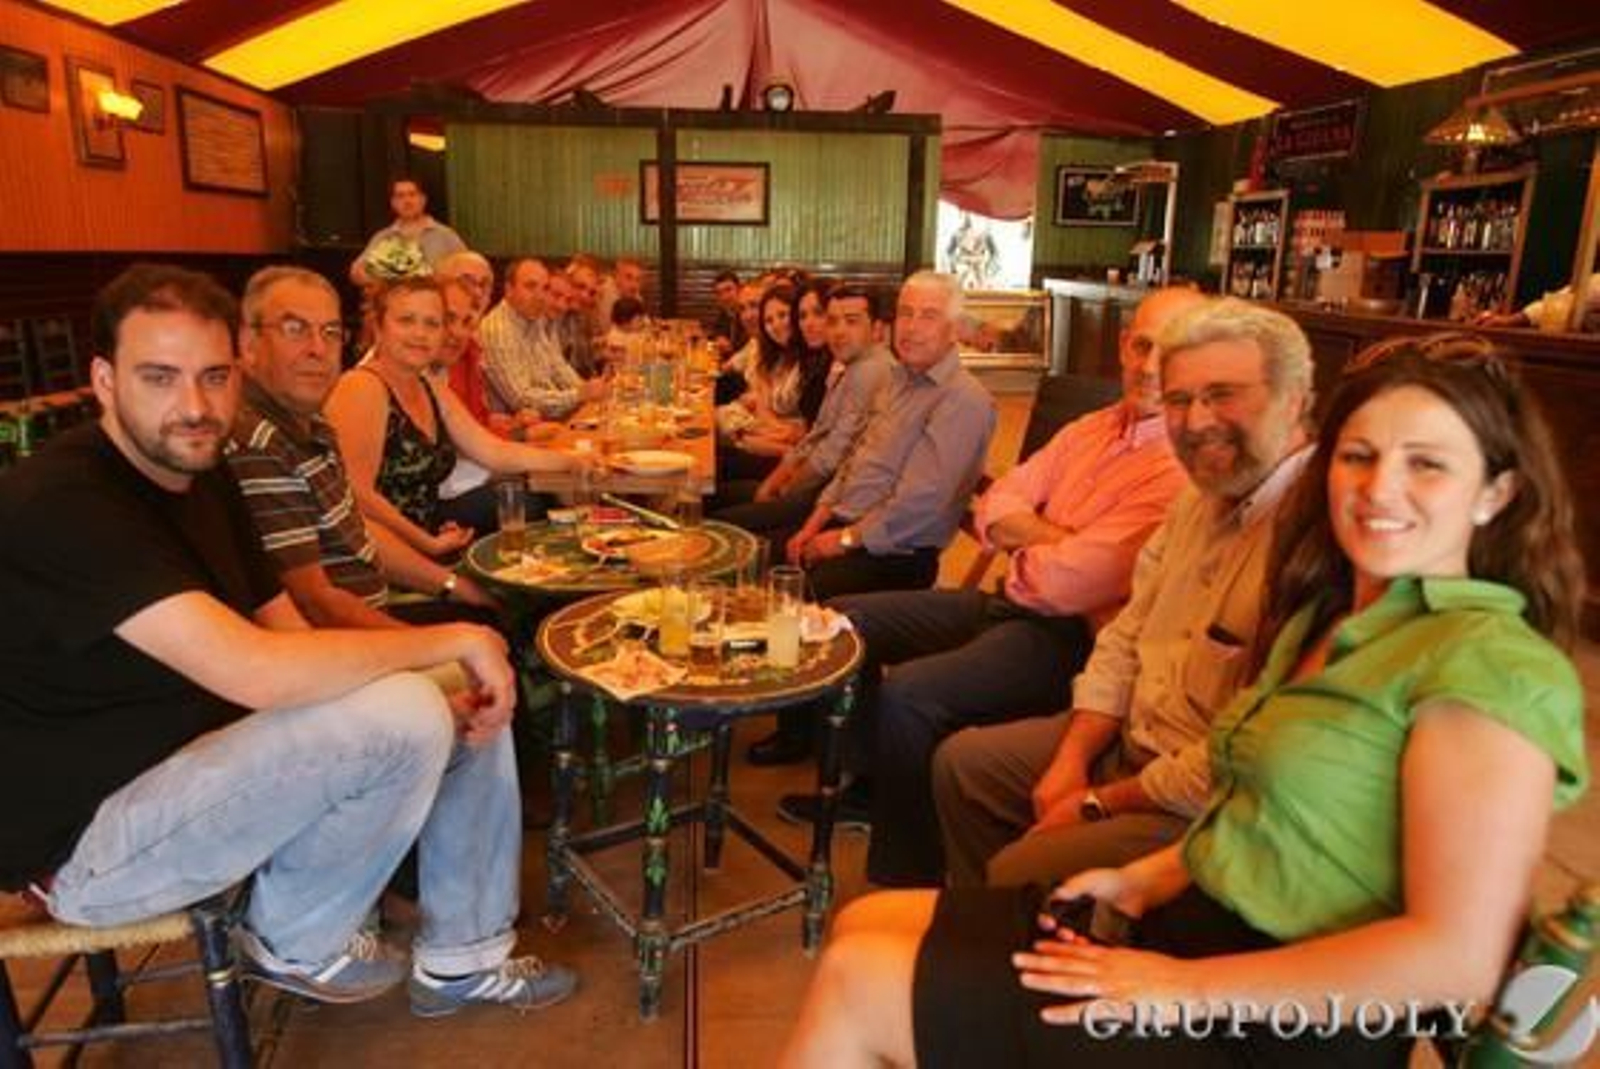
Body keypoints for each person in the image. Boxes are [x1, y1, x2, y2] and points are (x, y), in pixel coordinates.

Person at [779, 330, 1588, 1068]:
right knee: (864, 926)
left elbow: (1457, 960)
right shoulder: (1333, 610)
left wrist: (1173, 987)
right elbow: (1259, 812)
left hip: (1282, 1016)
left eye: (1428, 463)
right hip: (1195, 925)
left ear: (1497, 494)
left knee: (859, 978)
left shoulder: (1484, 667)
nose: (1381, 487)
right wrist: (1148, 878)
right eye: (1360, 455)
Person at [0, 263, 578, 1016]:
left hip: (194, 774)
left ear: (236, 367)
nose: (194, 404)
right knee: (406, 708)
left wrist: (452, 656)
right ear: (105, 380)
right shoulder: (66, 503)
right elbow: (257, 672)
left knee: (466, 691)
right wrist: (454, 634)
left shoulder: (202, 474)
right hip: (88, 849)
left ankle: (463, 957)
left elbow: (285, 627)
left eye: (212, 376)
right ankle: (294, 935)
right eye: (160, 377)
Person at [776, 289, 1205, 887]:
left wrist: (1030, 539)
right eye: (1141, 345)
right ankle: (874, 785)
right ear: (1122, 345)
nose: (1152, 365)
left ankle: (909, 873)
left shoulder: (1182, 464)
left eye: (1175, 350)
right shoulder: (1091, 426)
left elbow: (1076, 576)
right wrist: (1056, 536)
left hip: (1070, 635)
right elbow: (995, 506)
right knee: (844, 620)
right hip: (1010, 600)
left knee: (911, 695)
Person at [929, 298, 1315, 890]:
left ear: (1294, 401)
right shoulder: (1196, 499)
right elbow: (1125, 638)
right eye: (1181, 400)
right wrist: (1072, 760)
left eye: (1223, 395)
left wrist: (1099, 802)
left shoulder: (1313, 540)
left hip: (1205, 803)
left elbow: (1244, 759)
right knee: (966, 765)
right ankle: (990, 930)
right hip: (1129, 737)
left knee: (1017, 865)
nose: (1195, 421)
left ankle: (1013, 925)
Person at [227, 266, 498, 621]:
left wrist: (453, 585)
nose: (317, 348)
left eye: (330, 331)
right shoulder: (257, 443)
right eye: (294, 329)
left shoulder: (314, 423)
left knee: (504, 599)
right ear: (248, 345)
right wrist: (432, 645)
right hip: (354, 640)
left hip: (387, 594)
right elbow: (316, 603)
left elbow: (360, 533)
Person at [324, 276, 578, 600]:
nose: (420, 334)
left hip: (432, 544)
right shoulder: (362, 387)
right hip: (383, 566)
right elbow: (356, 497)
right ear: (379, 326)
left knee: (548, 573)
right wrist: (423, 541)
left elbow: (492, 450)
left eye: (432, 323)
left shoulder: (427, 385)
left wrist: (573, 460)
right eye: (406, 321)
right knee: (521, 599)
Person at [787, 271, 996, 601]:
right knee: (747, 549)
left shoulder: (963, 399)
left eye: (928, 316)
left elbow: (918, 505)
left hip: (895, 554)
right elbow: (853, 462)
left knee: (777, 593)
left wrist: (842, 540)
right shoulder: (898, 379)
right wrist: (814, 524)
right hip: (845, 522)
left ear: (954, 329)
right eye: (905, 313)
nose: (911, 327)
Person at [716, 284, 895, 534]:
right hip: (813, 482)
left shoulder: (869, 370)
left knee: (718, 521)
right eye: (833, 321)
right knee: (713, 488)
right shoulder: (846, 365)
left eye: (851, 321)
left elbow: (829, 456)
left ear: (877, 329)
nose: (839, 331)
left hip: (833, 502)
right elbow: (816, 436)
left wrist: (784, 487)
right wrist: (778, 480)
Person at [479, 257, 605, 420]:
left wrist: (588, 389)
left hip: (545, 422)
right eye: (530, 286)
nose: (540, 296)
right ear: (509, 289)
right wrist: (579, 395)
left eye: (544, 288)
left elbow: (557, 367)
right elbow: (521, 399)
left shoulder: (534, 319)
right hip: (513, 434)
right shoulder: (498, 329)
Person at [350, 177, 467, 287]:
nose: (407, 201)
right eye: (400, 196)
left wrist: (438, 278)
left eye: (412, 194)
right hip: (394, 304)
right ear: (393, 203)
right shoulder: (383, 237)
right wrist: (386, 279)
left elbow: (470, 270)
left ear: (423, 199)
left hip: (435, 304)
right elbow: (356, 274)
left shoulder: (446, 235)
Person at [706, 268, 747, 355]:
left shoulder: (747, 315)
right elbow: (715, 333)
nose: (724, 297)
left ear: (739, 289)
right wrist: (718, 339)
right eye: (719, 293)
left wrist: (730, 347)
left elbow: (747, 349)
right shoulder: (725, 313)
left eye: (728, 290)